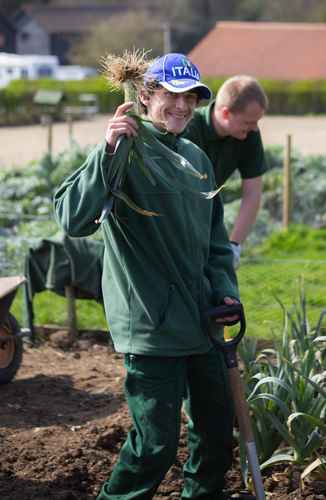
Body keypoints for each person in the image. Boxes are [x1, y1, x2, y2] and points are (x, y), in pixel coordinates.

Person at [53, 53, 253, 500]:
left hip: (204, 321)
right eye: (171, 95)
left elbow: (216, 242)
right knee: (155, 446)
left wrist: (223, 290)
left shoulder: (197, 157)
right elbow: (72, 218)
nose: (182, 106)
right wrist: (107, 151)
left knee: (217, 432)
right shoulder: (123, 150)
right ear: (144, 96)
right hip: (153, 326)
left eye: (191, 98)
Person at [186, 75, 269, 269]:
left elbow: (253, 192)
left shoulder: (248, 134)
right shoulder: (188, 130)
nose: (255, 128)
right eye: (249, 122)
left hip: (208, 221)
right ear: (225, 114)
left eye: (257, 121)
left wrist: (234, 246)